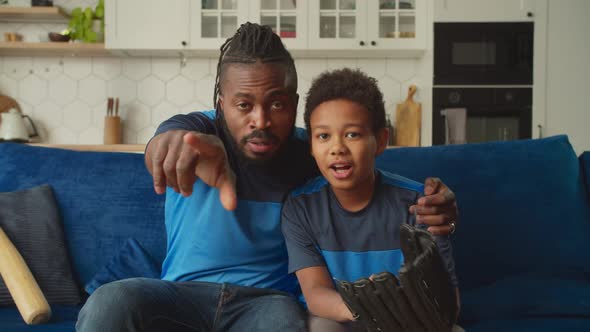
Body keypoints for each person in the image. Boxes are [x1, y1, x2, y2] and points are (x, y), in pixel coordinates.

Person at [76, 23, 458, 332]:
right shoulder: (195, 131)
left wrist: (434, 200)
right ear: (221, 103)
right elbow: (166, 143)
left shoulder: (312, 151)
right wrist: (169, 146)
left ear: (293, 103)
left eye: (276, 104)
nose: (260, 120)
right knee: (109, 301)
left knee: (285, 323)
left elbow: (364, 172)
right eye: (243, 105)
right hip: (179, 295)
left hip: (265, 306)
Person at [281, 68, 461, 332]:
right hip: (344, 318)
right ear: (310, 145)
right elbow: (316, 294)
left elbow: (449, 303)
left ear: (380, 141)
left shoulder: (420, 204)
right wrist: (372, 312)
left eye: (352, 134)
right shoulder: (300, 208)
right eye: (323, 136)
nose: (337, 147)